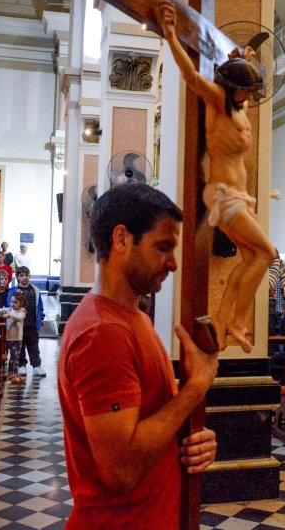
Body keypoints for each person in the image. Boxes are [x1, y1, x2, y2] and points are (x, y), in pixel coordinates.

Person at [58, 183, 218, 528]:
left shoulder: (135, 318)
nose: (173, 263)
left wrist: (190, 440)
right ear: (121, 239)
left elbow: (147, 424)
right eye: (162, 247)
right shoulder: (103, 332)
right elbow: (121, 469)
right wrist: (194, 390)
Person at [160, 0, 274, 353]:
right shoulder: (216, 99)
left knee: (252, 258)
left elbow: (244, 75)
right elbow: (192, 76)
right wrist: (169, 35)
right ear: (232, 86)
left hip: (238, 197)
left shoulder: (237, 106)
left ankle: (225, 320)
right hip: (223, 195)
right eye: (247, 90)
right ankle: (238, 320)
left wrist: (249, 59)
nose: (249, 97)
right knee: (267, 253)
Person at [7, 266, 46, 377]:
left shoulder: (35, 290)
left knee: (33, 345)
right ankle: (21, 365)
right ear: (17, 277)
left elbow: (39, 305)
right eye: (22, 275)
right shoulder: (13, 290)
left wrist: (41, 317)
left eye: (27, 275)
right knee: (20, 344)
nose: (25, 278)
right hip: (18, 324)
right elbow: (10, 305)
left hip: (32, 323)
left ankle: (36, 366)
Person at [0, 291, 26, 384]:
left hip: (17, 339)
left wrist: (10, 315)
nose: (12, 304)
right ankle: (4, 373)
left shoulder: (22, 311)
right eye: (11, 302)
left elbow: (19, 318)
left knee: (14, 357)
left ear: (20, 303)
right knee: (3, 356)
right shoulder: (8, 309)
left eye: (15, 302)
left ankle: (13, 373)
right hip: (7, 338)